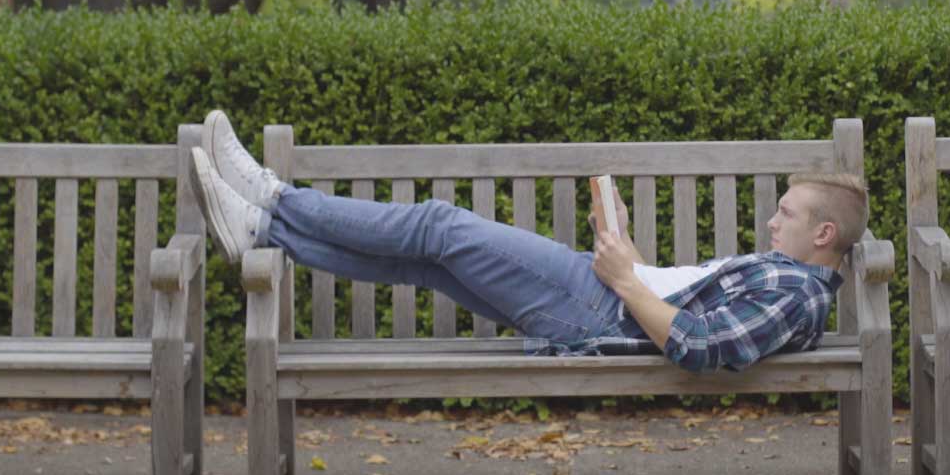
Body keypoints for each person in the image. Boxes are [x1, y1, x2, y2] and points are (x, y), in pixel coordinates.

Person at [186, 111, 869, 373]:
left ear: (824, 233)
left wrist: (627, 276)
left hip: (601, 311)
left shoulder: (797, 292)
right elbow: (688, 307)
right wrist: (625, 251)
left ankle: (274, 200)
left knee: (438, 226)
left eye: (787, 214)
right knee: (426, 260)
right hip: (608, 294)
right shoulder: (784, 274)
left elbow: (705, 346)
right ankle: (261, 228)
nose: (772, 223)